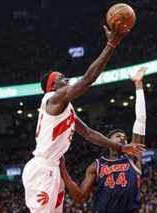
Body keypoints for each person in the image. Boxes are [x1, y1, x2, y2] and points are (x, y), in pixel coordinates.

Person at [22, 23, 145, 213]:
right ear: (52, 86)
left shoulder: (65, 108)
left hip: (52, 168)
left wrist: (120, 147)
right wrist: (110, 45)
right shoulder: (53, 99)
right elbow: (88, 79)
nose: (67, 79)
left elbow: (88, 133)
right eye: (62, 78)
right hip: (42, 168)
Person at [60, 67, 147, 213]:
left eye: (124, 137)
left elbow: (141, 121)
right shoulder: (96, 166)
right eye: (118, 135)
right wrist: (63, 170)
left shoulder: (133, 156)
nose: (123, 137)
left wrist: (138, 84)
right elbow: (80, 197)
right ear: (108, 142)